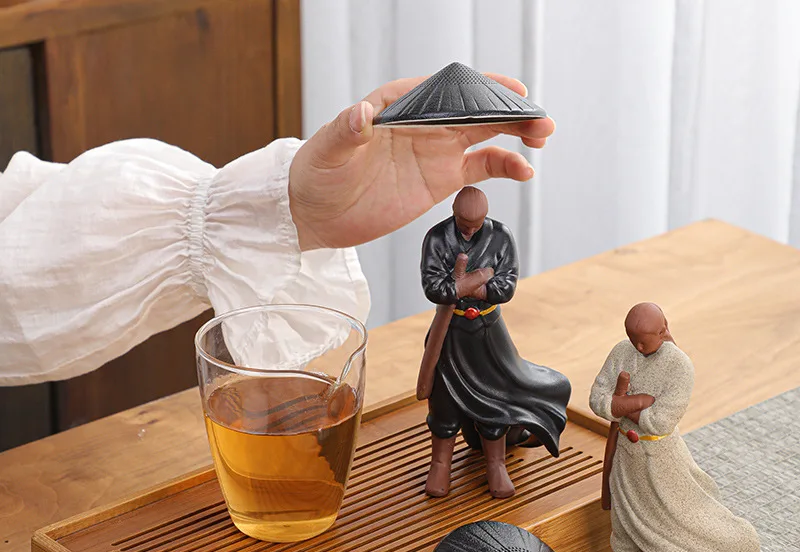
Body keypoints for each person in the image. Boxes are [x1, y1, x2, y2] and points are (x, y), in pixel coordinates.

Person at [0, 73, 554, 385]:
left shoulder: (497, 240)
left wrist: (287, 214)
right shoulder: (442, 242)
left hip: (482, 334)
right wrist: (461, 282)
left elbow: (33, 257)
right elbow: (31, 293)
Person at [588, 302, 767, 552]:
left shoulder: (679, 366)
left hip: (660, 460)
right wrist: (634, 403)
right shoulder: (622, 352)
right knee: (624, 522)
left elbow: (661, 420)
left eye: (644, 340)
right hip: (626, 458)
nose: (638, 347)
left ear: (663, 329)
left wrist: (624, 405)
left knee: (667, 527)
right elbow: (597, 398)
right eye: (633, 339)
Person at [419, 186, 571, 499]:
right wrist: (473, 280)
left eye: (476, 225)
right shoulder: (437, 238)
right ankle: (440, 464)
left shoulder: (500, 237)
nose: (470, 230)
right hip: (449, 331)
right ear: (454, 214)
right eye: (464, 224)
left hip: (487, 332)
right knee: (443, 399)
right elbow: (433, 286)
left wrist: (468, 286)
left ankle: (496, 464)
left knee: (495, 396)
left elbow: (506, 285)